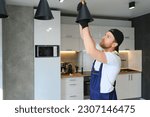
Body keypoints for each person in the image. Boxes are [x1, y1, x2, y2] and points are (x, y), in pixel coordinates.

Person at [77, 2, 124, 100]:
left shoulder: (114, 58)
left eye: (108, 37)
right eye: (105, 34)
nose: (103, 37)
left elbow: (91, 50)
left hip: (105, 98)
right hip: (94, 95)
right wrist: (81, 14)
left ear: (114, 44)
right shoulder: (102, 51)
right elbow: (85, 36)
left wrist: (84, 22)